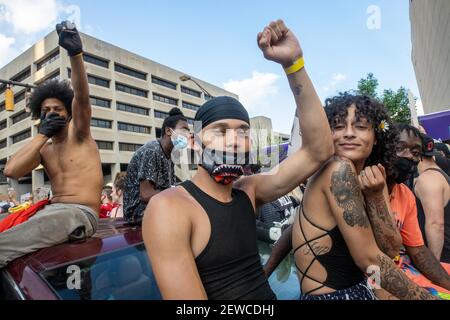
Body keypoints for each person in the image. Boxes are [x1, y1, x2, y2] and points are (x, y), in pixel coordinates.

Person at [143, 19, 335, 300]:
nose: (234, 140)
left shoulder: (249, 190)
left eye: (243, 132)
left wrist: (294, 64)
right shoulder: (168, 207)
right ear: (195, 143)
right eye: (220, 131)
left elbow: (319, 149)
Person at [265, 93, 436, 300]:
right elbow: (368, 258)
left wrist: (375, 197)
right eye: (338, 126)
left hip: (362, 287)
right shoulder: (338, 169)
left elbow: (389, 251)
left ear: (376, 137)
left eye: (360, 127)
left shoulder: (372, 177)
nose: (348, 133)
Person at [0, 21, 102, 268]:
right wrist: (42, 135)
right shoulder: (43, 147)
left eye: (58, 109)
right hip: (51, 212)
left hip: (80, 215)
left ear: (68, 114)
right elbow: (11, 171)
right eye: (45, 110)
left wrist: (75, 54)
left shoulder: (79, 134)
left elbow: (82, 97)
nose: (51, 113)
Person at [123, 107, 190, 224]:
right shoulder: (152, 150)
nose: (187, 134)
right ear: (169, 131)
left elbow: (169, 189)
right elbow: (145, 194)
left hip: (156, 206)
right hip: (137, 212)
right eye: (184, 129)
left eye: (188, 131)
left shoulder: (169, 157)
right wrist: (180, 194)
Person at [414, 135, 450, 263]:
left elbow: (435, 224)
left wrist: (435, 266)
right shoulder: (438, 173)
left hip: (444, 258)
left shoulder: (428, 179)